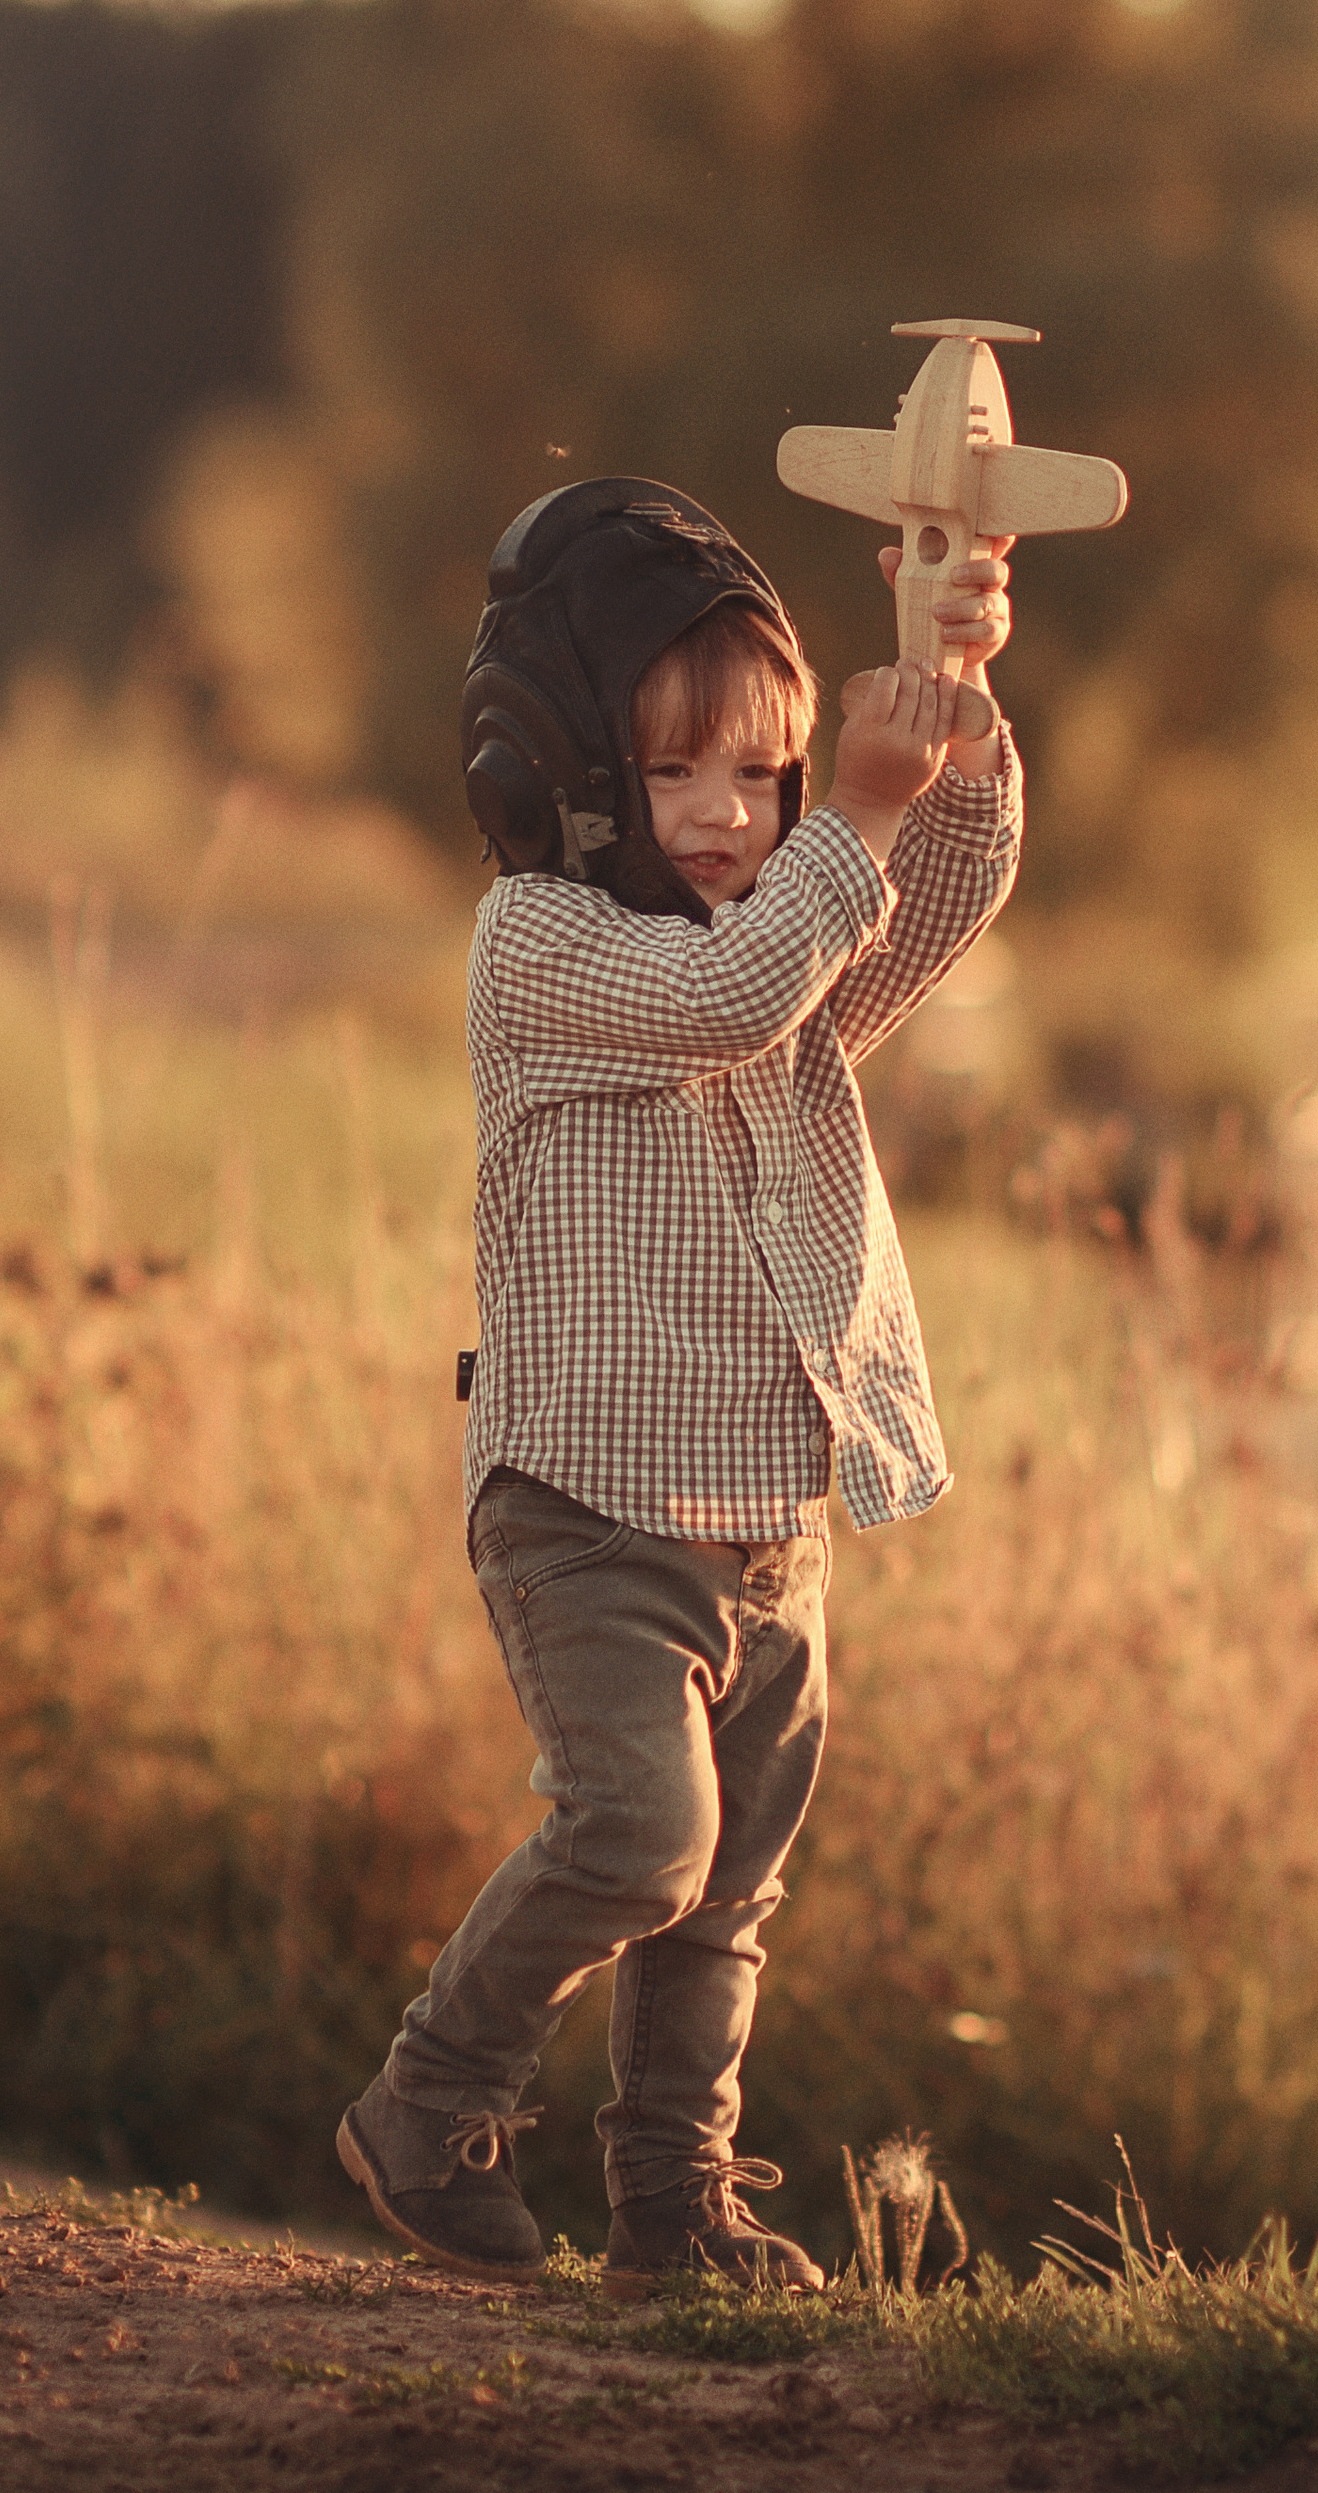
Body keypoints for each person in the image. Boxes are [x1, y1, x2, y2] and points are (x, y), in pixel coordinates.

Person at [335, 477, 1018, 2294]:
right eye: (672, 774)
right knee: (642, 1838)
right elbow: (732, 990)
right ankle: (428, 2102)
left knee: (725, 1900)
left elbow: (926, 908)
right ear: (558, 776)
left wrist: (950, 701)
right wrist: (856, 814)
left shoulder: (788, 954)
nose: (728, 815)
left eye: (766, 777)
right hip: (590, 1515)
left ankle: (675, 2207)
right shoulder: (545, 949)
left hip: (772, 1530)